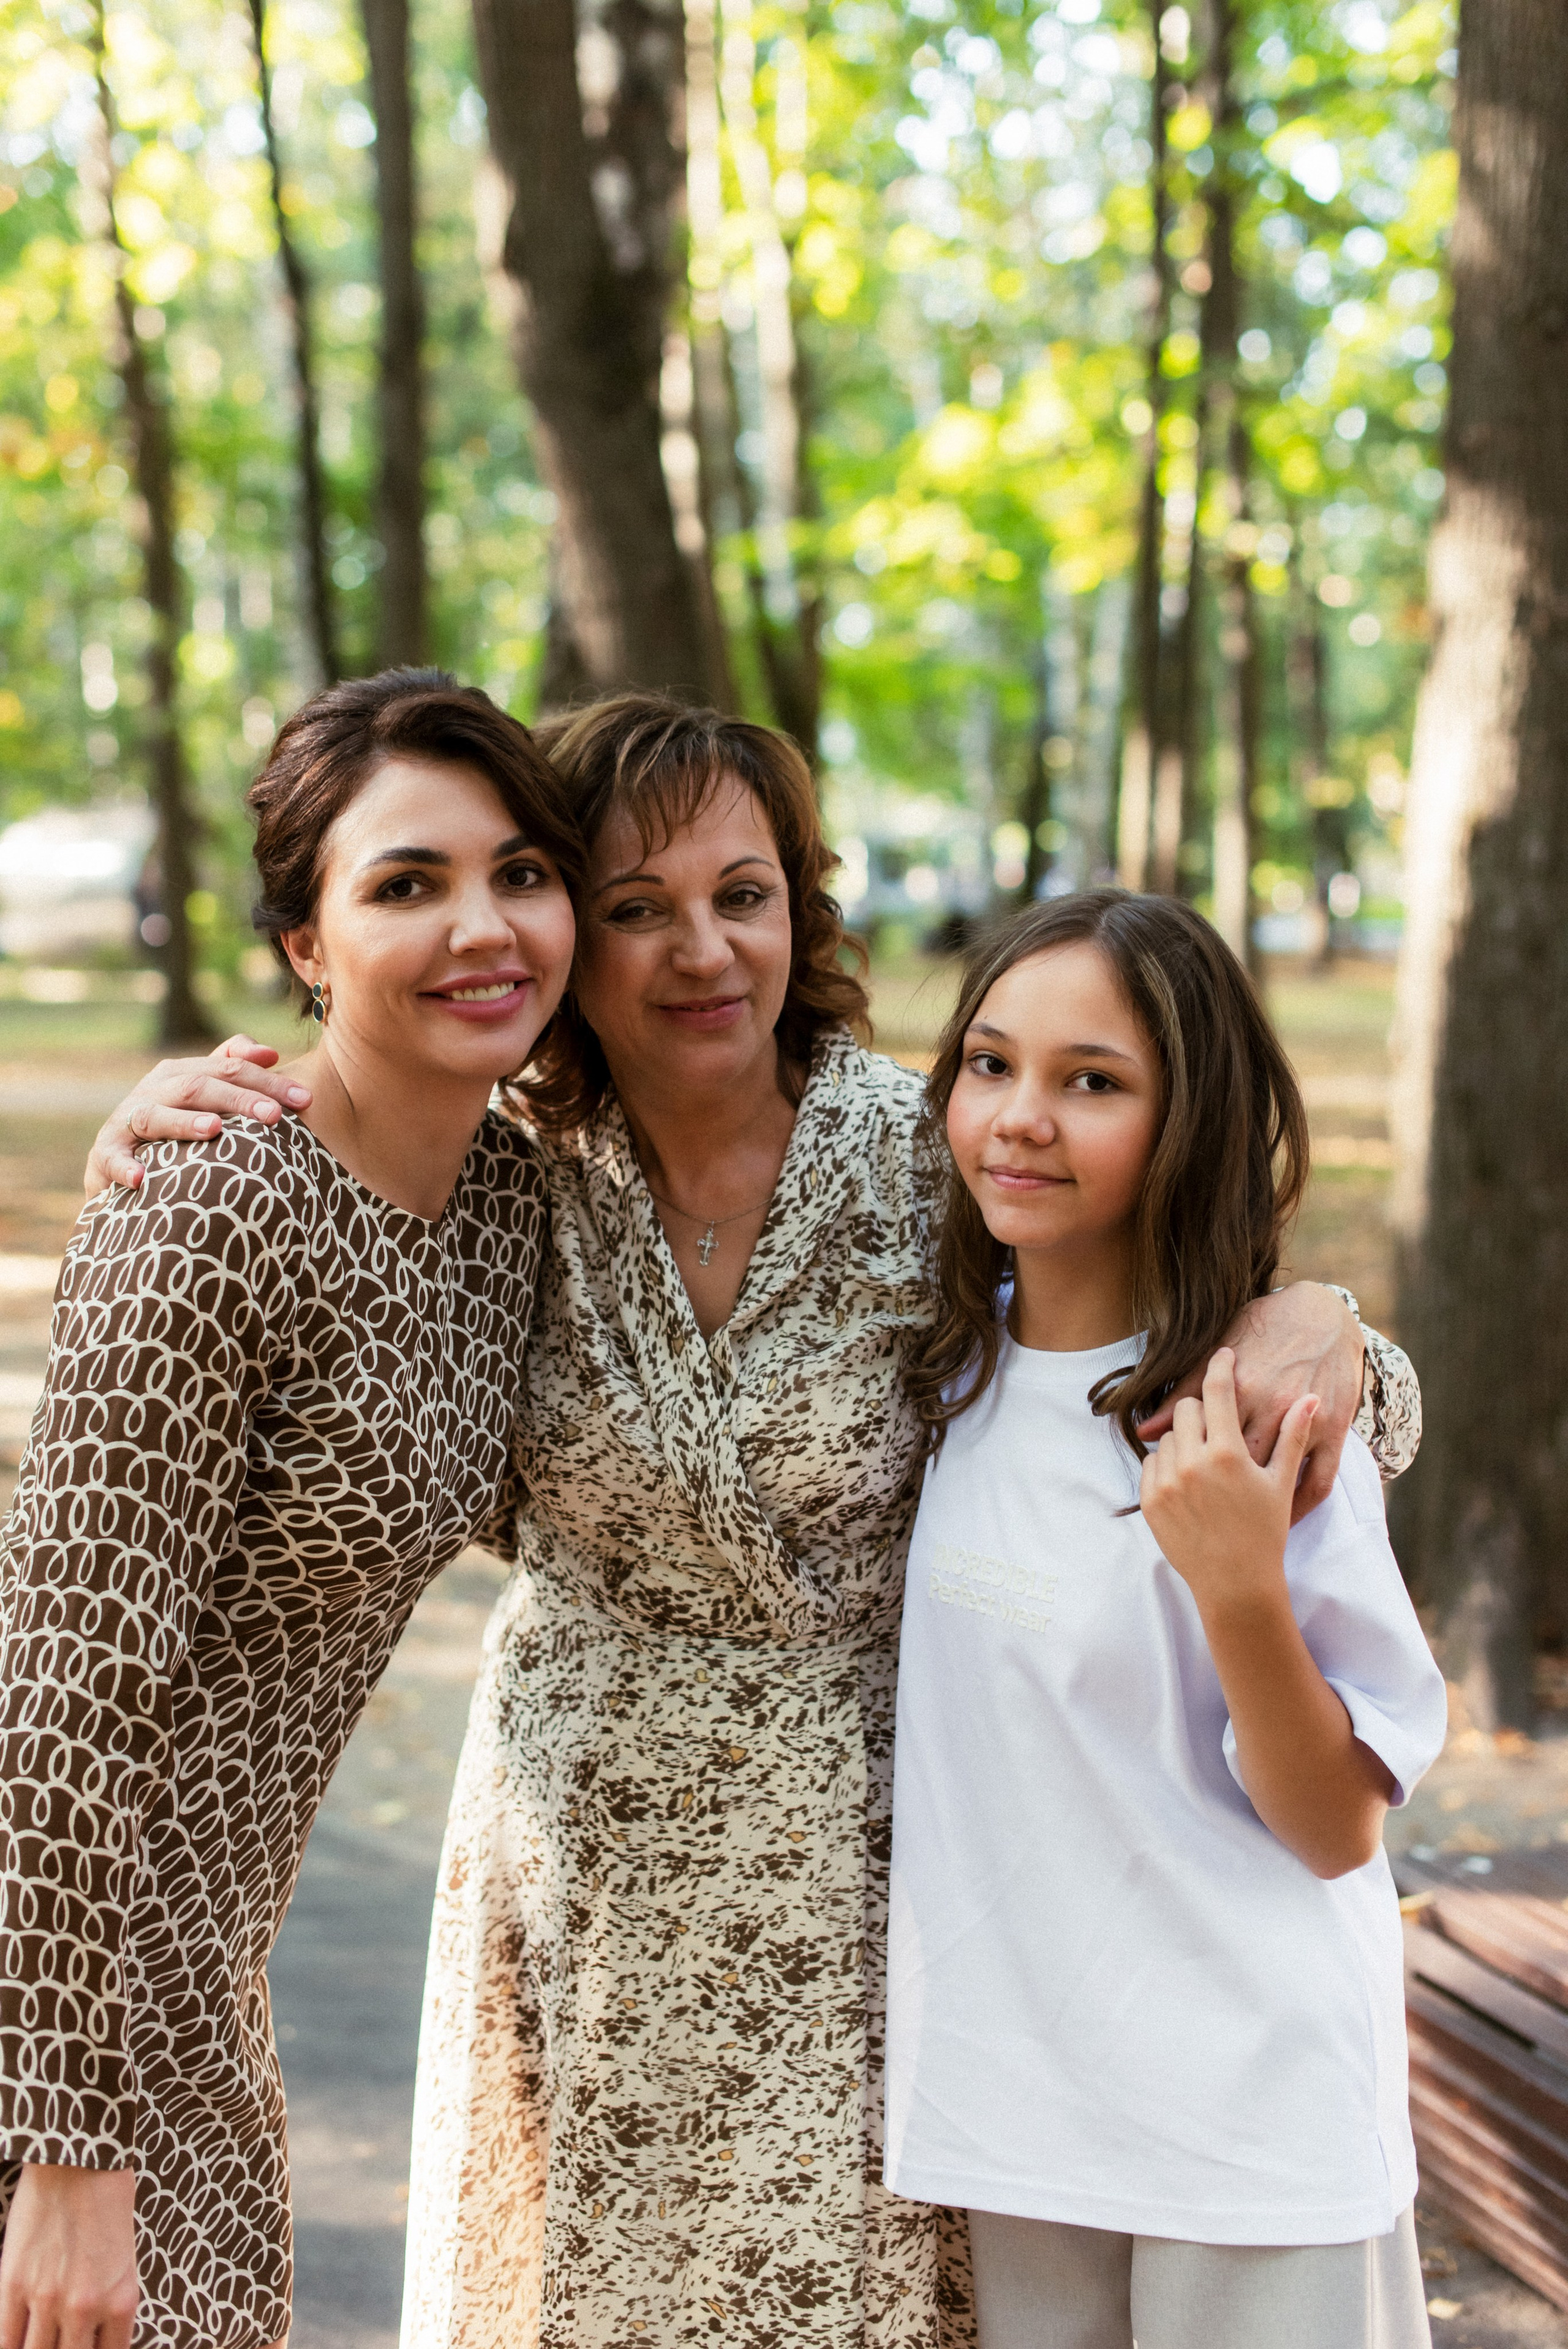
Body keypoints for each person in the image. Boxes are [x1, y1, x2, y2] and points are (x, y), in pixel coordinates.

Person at [83, 699, 1422, 2349]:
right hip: (569, 1888)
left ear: (805, 905)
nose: (700, 951)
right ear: (576, 929)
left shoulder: (930, 1149)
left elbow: (1189, 1324)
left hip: (871, 1892)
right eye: (638, 904)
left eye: (746, 893)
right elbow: (328, 1223)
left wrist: (1337, 1332)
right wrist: (158, 1142)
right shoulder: (505, 1185)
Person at [0, 672, 580, 2349]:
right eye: (407, 884)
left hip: (203, 1993)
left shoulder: (504, 1206)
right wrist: (63, 2156)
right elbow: (59, 1698)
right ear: (308, 944)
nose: (482, 924)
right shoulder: (208, 1210)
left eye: (521, 871)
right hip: (65, 2008)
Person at [884, 891, 1446, 2349]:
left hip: (1247, 2130)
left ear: (1186, 1120)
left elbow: (1334, 1825)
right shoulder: (941, 1379)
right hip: (1022, 2119)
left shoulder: (1255, 1416)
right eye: (991, 1063)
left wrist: (1241, 1587)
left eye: (1091, 1082)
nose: (1018, 1117)